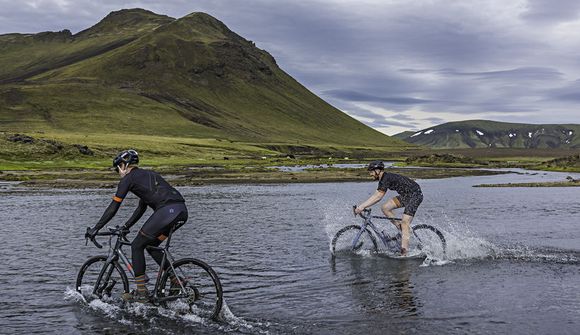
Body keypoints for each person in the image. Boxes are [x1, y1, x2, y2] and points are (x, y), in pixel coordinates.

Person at [86, 149, 188, 303]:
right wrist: (126, 226)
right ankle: (175, 280)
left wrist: (96, 228)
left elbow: (114, 207)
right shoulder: (148, 175)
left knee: (136, 246)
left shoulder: (128, 179)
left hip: (167, 212)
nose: (118, 171)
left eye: (117, 168)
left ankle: (141, 292)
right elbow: (142, 207)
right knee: (151, 245)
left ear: (123, 165)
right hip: (180, 212)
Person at [354, 161, 423, 256]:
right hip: (407, 195)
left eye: (371, 172)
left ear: (377, 170)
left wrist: (362, 206)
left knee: (405, 223)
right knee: (385, 208)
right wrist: (363, 205)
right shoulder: (383, 179)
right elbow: (376, 195)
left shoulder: (386, 178)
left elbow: (378, 196)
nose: (370, 174)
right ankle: (401, 229)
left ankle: (404, 253)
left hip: (415, 195)